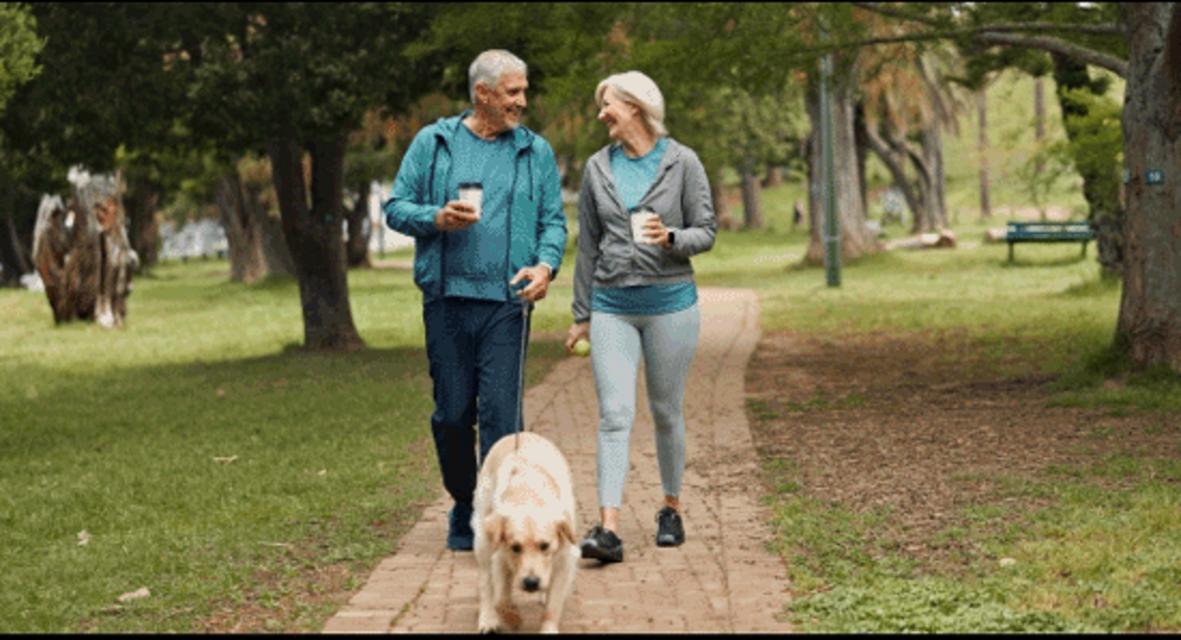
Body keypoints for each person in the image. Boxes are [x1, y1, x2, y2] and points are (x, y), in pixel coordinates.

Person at [385, 49, 567, 551]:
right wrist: (435, 218)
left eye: (523, 91)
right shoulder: (434, 143)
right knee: (451, 414)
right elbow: (395, 207)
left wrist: (546, 265)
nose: (522, 102)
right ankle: (465, 501)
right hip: (446, 301)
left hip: (507, 304)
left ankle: (500, 514)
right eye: (513, 92)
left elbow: (553, 221)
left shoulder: (535, 152)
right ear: (482, 94)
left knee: (503, 418)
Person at [565, 71, 716, 563]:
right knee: (614, 416)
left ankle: (670, 508)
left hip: (671, 303)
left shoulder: (683, 162)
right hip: (612, 305)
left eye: (607, 103)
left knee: (667, 411)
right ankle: (607, 528)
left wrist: (671, 237)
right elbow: (587, 244)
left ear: (634, 106)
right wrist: (581, 315)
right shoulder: (596, 167)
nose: (601, 113)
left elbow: (706, 231)